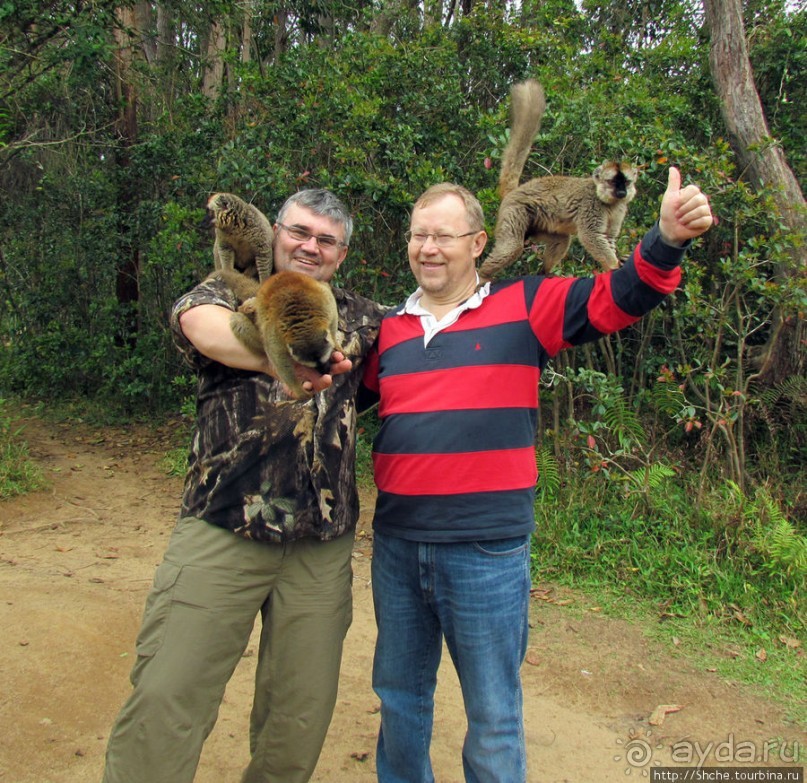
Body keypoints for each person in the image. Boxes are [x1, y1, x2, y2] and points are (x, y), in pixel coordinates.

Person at [359, 169, 713, 782]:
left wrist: (665, 239)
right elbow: (326, 392)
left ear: (478, 243)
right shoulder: (386, 331)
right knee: (399, 698)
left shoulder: (524, 304)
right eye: (419, 236)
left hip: (486, 551)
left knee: (493, 714)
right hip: (396, 546)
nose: (428, 247)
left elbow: (619, 295)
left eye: (444, 235)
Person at [102, 188, 386, 783]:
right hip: (222, 529)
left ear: (342, 253)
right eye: (299, 232)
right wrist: (277, 362)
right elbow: (198, 324)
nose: (310, 247)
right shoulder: (229, 288)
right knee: (167, 696)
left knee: (298, 720)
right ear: (273, 233)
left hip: (320, 545)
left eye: (326, 240)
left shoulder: (361, 317)